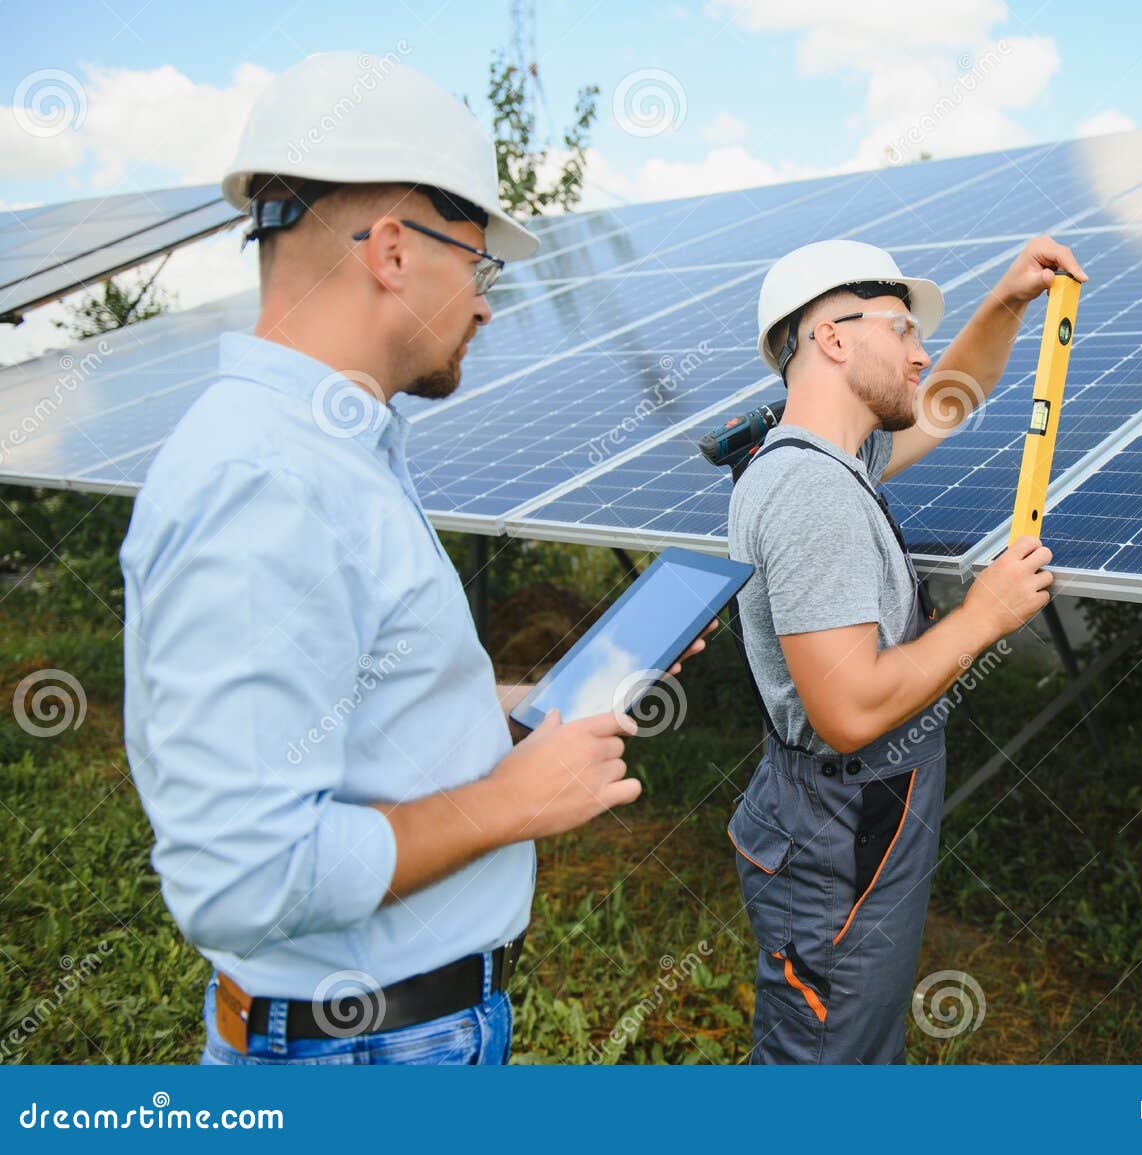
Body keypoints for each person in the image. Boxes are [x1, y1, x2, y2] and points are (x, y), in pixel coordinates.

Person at [119, 51, 705, 1066]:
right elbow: (246, 875)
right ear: (392, 251)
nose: (484, 304)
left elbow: (336, 709)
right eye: (478, 264)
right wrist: (512, 800)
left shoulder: (332, 455)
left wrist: (512, 702)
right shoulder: (268, 484)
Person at [727, 236, 1085, 1063]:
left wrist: (1007, 302)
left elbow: (951, 397)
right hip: (840, 829)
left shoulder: (824, 459)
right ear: (833, 338)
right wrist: (982, 615)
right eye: (902, 328)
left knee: (843, 1045)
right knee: (827, 1063)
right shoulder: (813, 493)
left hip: (837, 818)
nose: (922, 352)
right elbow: (850, 709)